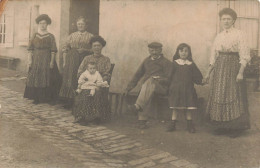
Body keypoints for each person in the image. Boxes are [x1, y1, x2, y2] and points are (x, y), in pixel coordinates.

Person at [204, 8, 251, 137]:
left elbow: (244, 55)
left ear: (233, 20)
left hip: (233, 67)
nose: (226, 21)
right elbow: (213, 56)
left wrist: (240, 72)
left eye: (228, 19)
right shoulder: (219, 36)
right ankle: (221, 126)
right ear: (220, 21)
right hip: (220, 68)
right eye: (223, 19)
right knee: (219, 94)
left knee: (233, 95)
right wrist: (208, 73)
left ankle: (234, 128)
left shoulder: (239, 34)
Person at [125, 42, 172, 129]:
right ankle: (141, 121)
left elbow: (169, 79)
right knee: (147, 88)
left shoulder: (166, 62)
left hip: (161, 88)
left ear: (160, 50)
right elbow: (137, 75)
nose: (154, 52)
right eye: (152, 50)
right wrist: (129, 88)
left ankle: (138, 110)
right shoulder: (146, 61)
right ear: (149, 50)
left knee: (149, 83)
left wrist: (158, 79)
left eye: (156, 50)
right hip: (147, 87)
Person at [73, 35, 111, 124]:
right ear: (92, 47)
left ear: (102, 47)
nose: (96, 48)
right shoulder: (87, 58)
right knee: (84, 92)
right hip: (87, 82)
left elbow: (107, 73)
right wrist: (85, 80)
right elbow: (80, 71)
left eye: (98, 45)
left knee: (95, 92)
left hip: (98, 83)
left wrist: (100, 82)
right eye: (94, 46)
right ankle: (82, 117)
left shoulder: (106, 59)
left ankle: (95, 117)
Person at [24, 14, 61, 105]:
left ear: (47, 24)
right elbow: (30, 49)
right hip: (36, 59)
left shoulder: (51, 36)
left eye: (44, 23)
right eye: (41, 23)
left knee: (48, 77)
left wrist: (52, 62)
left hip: (47, 59)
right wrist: (30, 60)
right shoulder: (35, 35)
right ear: (38, 24)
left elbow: (53, 50)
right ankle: (36, 98)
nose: (42, 25)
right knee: (36, 77)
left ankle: (48, 98)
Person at [167, 43, 203, 133]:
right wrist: (169, 87)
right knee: (175, 107)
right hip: (177, 89)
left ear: (189, 53)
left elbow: (197, 77)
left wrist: (202, 81)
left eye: (186, 51)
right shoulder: (175, 63)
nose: (184, 53)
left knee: (188, 108)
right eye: (181, 51)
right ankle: (173, 124)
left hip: (188, 89)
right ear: (178, 52)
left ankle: (189, 125)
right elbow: (169, 76)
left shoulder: (191, 64)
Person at [59, 16, 93, 108]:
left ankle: (80, 102)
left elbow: (94, 49)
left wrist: (85, 50)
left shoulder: (91, 36)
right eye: (79, 24)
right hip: (71, 60)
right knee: (70, 79)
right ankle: (69, 102)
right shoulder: (72, 35)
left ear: (86, 25)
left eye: (82, 24)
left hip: (84, 59)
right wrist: (65, 61)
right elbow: (65, 48)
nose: (80, 26)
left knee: (80, 78)